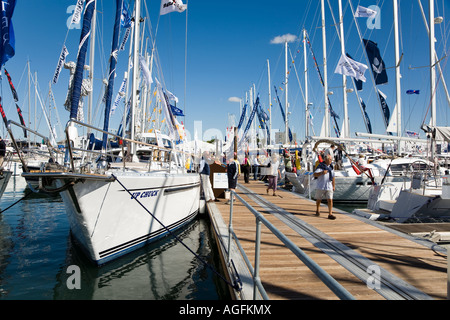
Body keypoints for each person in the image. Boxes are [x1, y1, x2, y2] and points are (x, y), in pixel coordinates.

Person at [313, 154, 336, 220]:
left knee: (330, 200)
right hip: (321, 186)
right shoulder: (320, 166)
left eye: (331, 159)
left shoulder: (331, 167)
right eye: (329, 159)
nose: (331, 161)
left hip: (329, 186)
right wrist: (321, 173)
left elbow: (333, 177)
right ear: (326, 160)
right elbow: (315, 174)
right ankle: (317, 210)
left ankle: (330, 214)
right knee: (319, 199)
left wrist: (333, 186)